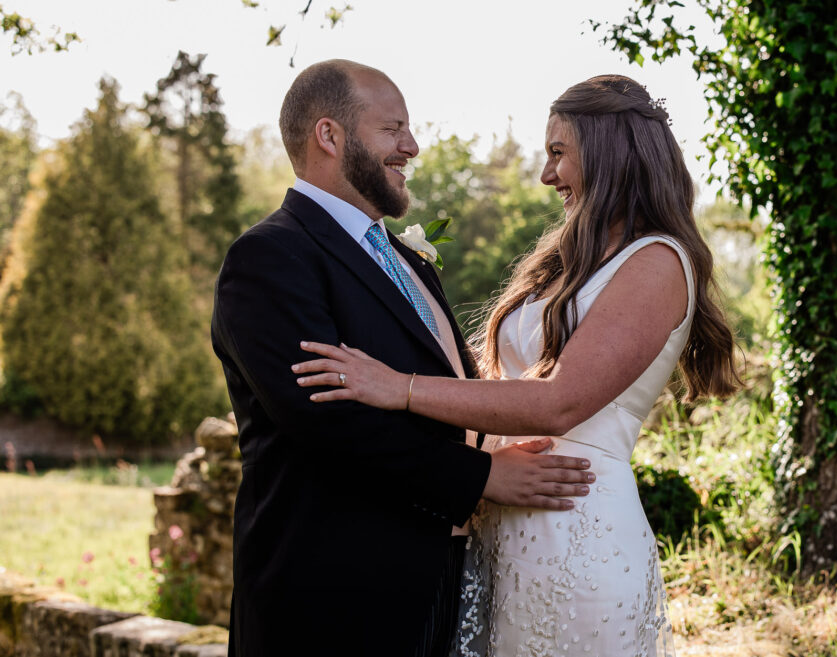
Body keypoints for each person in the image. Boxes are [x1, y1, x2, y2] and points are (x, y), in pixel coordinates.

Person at [292, 74, 741, 656]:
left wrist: (398, 387)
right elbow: (494, 380)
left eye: (558, 153)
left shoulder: (656, 262)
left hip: (580, 532)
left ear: (609, 153)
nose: (546, 175)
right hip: (504, 526)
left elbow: (560, 401)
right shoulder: (567, 259)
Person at [211, 59, 596, 657]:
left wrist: (492, 445)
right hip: (329, 600)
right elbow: (326, 420)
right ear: (330, 136)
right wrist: (485, 477)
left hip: (435, 580)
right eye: (393, 130)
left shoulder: (408, 260)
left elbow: (444, 385)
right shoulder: (270, 258)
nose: (411, 147)